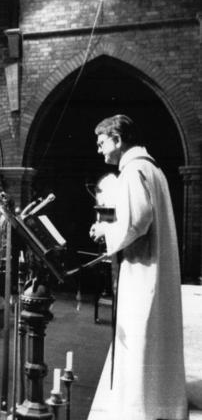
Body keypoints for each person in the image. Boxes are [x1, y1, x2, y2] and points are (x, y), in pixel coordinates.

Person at [88, 114, 187, 420]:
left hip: (144, 268)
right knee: (151, 336)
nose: (99, 150)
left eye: (102, 142)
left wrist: (106, 231)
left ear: (117, 139)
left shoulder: (133, 170)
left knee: (140, 333)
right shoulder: (151, 168)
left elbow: (136, 222)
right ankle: (159, 401)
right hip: (153, 266)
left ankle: (138, 409)